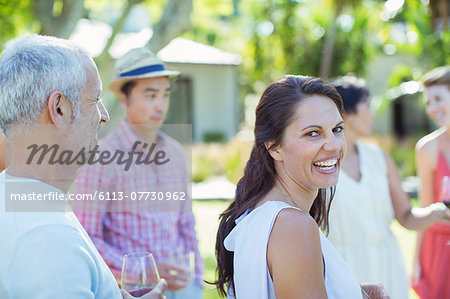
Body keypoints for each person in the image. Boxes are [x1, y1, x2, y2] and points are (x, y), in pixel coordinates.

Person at [0, 34, 166, 298]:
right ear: (60, 109)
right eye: (94, 99)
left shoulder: (18, 199)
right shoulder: (48, 239)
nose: (104, 114)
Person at [214, 75, 390, 299]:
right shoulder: (294, 226)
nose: (334, 145)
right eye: (312, 133)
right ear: (274, 148)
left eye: (337, 129)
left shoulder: (260, 212)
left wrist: (352, 290)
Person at [72, 47, 203, 299]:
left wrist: (195, 281)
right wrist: (143, 271)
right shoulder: (100, 157)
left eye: (165, 95)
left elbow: (186, 222)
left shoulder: (176, 153)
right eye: (150, 95)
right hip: (134, 290)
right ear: (125, 98)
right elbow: (87, 236)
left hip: (184, 288)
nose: (160, 105)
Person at [326, 76, 450, 299]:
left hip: (387, 266)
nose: (373, 114)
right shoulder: (321, 162)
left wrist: (438, 211)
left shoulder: (380, 157)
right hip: (342, 269)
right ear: (346, 112)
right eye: (367, 106)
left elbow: (406, 216)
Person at [412, 66, 450, 299]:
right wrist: (417, 259)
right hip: (439, 250)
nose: (432, 108)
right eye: (428, 102)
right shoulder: (427, 148)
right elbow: (424, 208)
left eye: (438, 99)